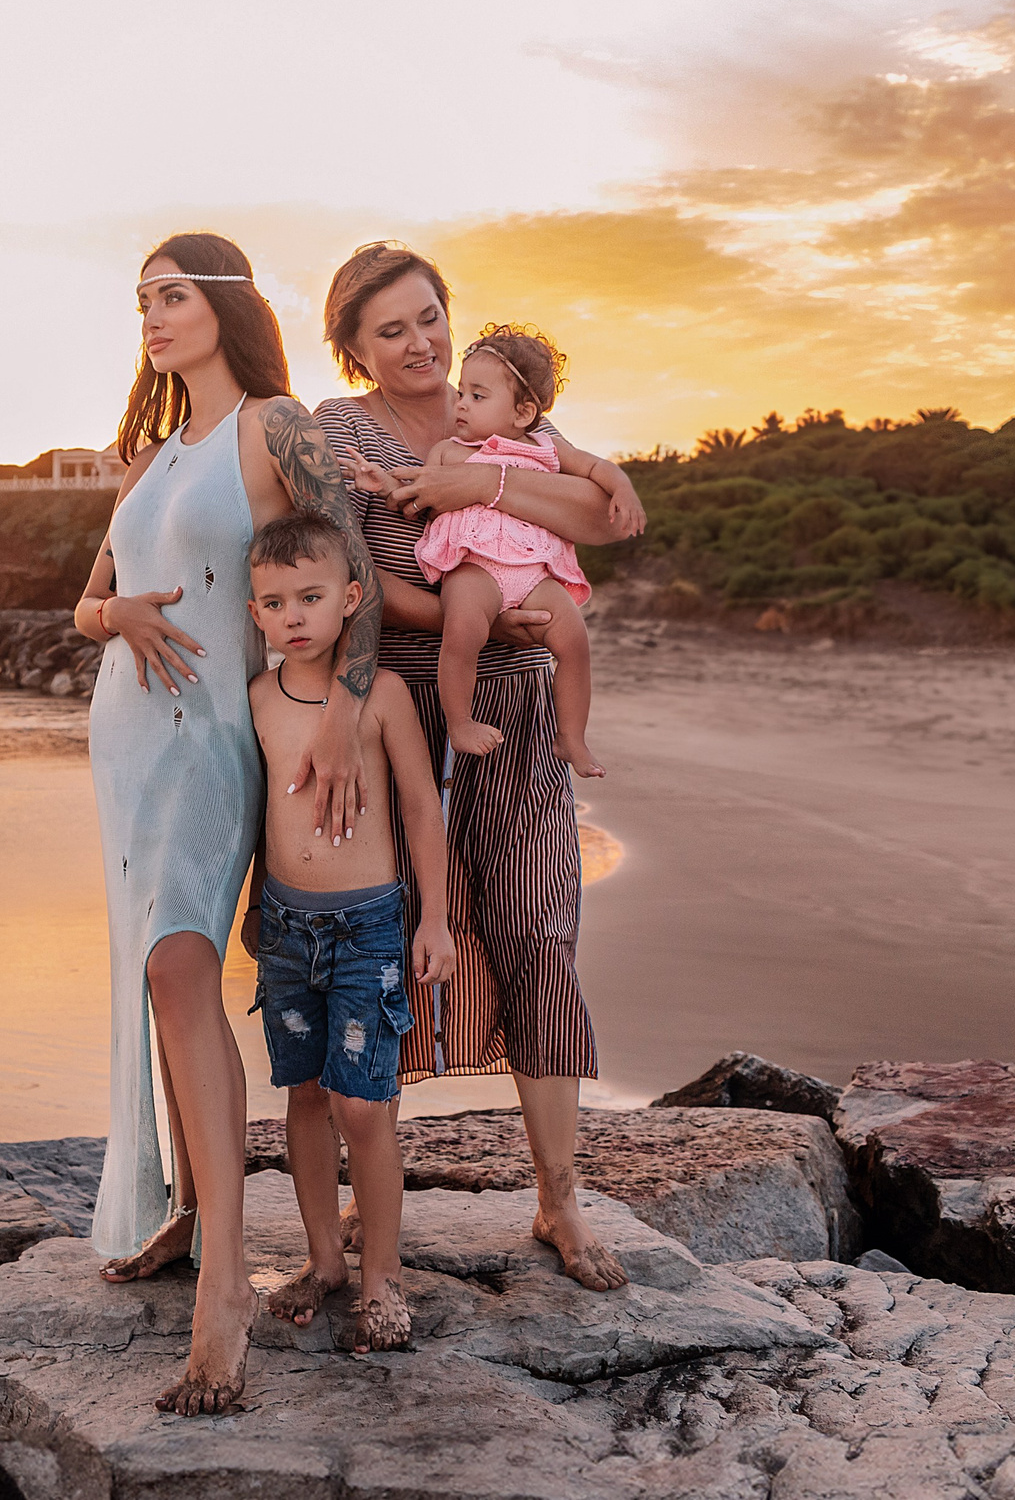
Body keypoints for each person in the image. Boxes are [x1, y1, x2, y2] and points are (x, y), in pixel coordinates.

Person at [72, 231, 383, 1414]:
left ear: (225, 306)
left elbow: (343, 564)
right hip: (124, 735)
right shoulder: (146, 456)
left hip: (209, 736)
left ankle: (221, 1292)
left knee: (180, 963)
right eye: (141, 300)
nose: (151, 317)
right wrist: (121, 622)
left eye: (171, 297)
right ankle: (190, 1215)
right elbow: (85, 599)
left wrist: (346, 717)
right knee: (157, 973)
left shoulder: (275, 424)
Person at [311, 241, 645, 1292]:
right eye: (390, 330)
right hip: (405, 709)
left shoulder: (509, 414)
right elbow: (358, 576)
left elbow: (602, 516)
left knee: (540, 929)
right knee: (395, 946)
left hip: (524, 714)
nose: (420, 344)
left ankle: (559, 1202)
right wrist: (496, 621)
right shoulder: (343, 428)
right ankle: (375, 1202)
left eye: (428, 318)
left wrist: (491, 477)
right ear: (354, 348)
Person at [243, 511, 452, 1353]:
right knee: (302, 1093)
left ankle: (381, 1278)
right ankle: (326, 1259)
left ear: (350, 599)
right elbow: (257, 817)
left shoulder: (381, 696)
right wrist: (254, 906)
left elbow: (420, 807)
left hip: (369, 925)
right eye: (275, 601)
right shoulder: (256, 701)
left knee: (362, 1105)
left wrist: (433, 917)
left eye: (311, 596)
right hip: (288, 929)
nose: (293, 614)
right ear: (256, 614)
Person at [356, 323, 613, 778]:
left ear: (523, 412)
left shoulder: (541, 446)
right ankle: (459, 720)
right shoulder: (448, 452)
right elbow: (414, 490)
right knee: (464, 631)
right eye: (463, 395)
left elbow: (594, 486)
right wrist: (383, 480)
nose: (462, 404)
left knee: (574, 640)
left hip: (531, 571)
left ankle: (571, 735)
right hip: (474, 568)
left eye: (477, 397)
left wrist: (623, 489)